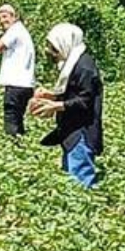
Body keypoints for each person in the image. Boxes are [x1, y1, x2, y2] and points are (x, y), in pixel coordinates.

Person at [30, 23, 103, 188]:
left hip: (82, 131)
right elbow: (73, 92)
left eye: (54, 47)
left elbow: (85, 101)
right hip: (70, 130)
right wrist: (51, 95)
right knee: (69, 179)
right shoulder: (73, 62)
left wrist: (55, 106)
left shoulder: (84, 67)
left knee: (80, 181)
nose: (51, 52)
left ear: (66, 43)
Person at [0, 4, 36, 136]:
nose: (2, 21)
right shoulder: (21, 31)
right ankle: (21, 146)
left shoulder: (15, 30)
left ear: (14, 16)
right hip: (25, 84)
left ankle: (13, 146)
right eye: (0, 18)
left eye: (5, 16)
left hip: (16, 84)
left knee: (11, 120)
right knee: (18, 120)